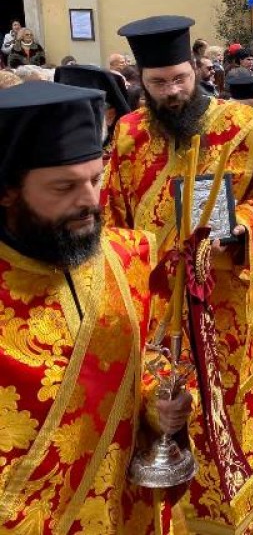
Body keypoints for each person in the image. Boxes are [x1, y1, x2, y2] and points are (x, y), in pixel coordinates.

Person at [102, 15, 253, 533]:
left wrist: (243, 226)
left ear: (198, 71)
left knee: (240, 423)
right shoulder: (129, 135)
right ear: (142, 82)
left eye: (180, 79)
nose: (173, 92)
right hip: (158, 309)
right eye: (158, 83)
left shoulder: (244, 129)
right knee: (167, 414)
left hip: (234, 315)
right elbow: (113, 215)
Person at [0, 81, 192, 531]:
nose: (90, 200)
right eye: (64, 186)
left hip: (126, 512)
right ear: (7, 191)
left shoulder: (129, 256)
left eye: (95, 178)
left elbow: (148, 358)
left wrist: (158, 405)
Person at [54, 63, 131, 150]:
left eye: (83, 111)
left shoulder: (126, 156)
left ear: (110, 115)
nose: (73, 121)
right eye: (66, 110)